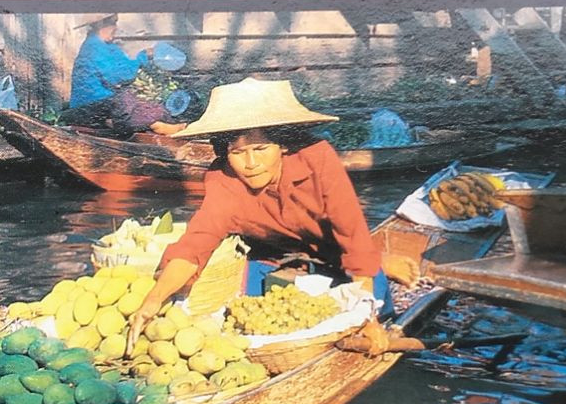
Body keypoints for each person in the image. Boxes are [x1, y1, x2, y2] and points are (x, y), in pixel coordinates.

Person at [127, 77, 421, 343]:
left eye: (260, 149)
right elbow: (197, 242)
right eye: (237, 152)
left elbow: (352, 234)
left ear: (282, 145)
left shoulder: (317, 159)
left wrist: (366, 318)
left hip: (340, 257)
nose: (250, 163)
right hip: (272, 258)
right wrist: (153, 300)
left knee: (374, 312)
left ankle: (380, 265)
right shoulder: (223, 178)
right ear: (225, 153)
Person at [62, 14, 187, 137]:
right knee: (125, 102)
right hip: (90, 106)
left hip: (107, 104)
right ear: (100, 24)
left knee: (152, 107)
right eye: (113, 23)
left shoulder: (109, 47)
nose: (116, 28)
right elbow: (119, 76)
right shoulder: (92, 47)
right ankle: (153, 125)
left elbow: (125, 66)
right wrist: (142, 57)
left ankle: (153, 125)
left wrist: (145, 55)